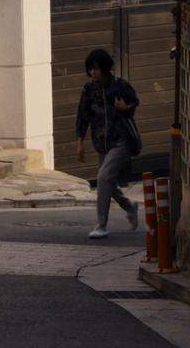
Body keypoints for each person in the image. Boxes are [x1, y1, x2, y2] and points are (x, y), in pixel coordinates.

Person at [75, 49, 140, 239]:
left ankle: (101, 225)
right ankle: (129, 205)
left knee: (102, 177)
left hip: (120, 140)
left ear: (104, 68)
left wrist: (125, 108)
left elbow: (135, 102)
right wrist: (80, 141)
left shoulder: (119, 86)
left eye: (96, 69)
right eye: (90, 69)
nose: (93, 73)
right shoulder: (89, 89)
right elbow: (83, 115)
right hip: (101, 143)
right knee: (108, 181)